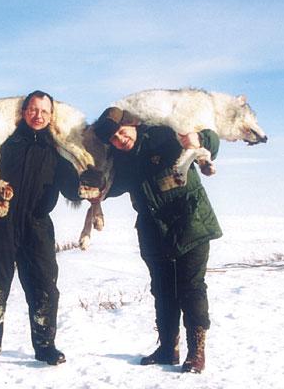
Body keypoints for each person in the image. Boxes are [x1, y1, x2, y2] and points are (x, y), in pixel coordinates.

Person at [0, 90, 103, 367]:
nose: (38, 116)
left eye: (45, 112)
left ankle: (45, 346)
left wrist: (87, 181)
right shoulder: (3, 141)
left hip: (37, 225)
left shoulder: (56, 150)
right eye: (33, 110)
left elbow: (71, 191)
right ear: (23, 112)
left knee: (44, 287)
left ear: (52, 117)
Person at [94, 107, 222, 374]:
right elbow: (112, 186)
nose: (120, 139)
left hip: (190, 221)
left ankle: (196, 352)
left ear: (133, 124)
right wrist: (92, 184)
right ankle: (167, 348)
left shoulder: (163, 133)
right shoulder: (120, 158)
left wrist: (200, 140)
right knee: (163, 290)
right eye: (114, 139)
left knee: (191, 287)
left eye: (122, 132)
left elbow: (210, 138)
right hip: (153, 229)